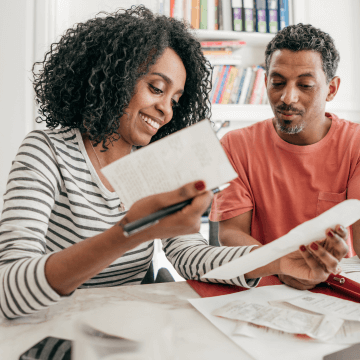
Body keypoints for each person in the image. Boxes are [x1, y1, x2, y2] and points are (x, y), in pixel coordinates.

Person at [0, 8, 347, 320]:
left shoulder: (157, 163)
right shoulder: (46, 152)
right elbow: (9, 290)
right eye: (156, 88)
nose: (166, 110)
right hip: (49, 325)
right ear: (113, 76)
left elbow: (189, 255)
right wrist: (128, 233)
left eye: (176, 99)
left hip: (125, 326)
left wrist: (277, 260)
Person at [210, 23, 360, 290]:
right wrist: (282, 265)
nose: (287, 98)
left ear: (332, 89)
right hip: (260, 285)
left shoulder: (355, 144)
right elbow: (231, 233)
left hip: (333, 286)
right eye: (277, 83)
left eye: (305, 85)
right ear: (265, 81)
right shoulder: (235, 145)